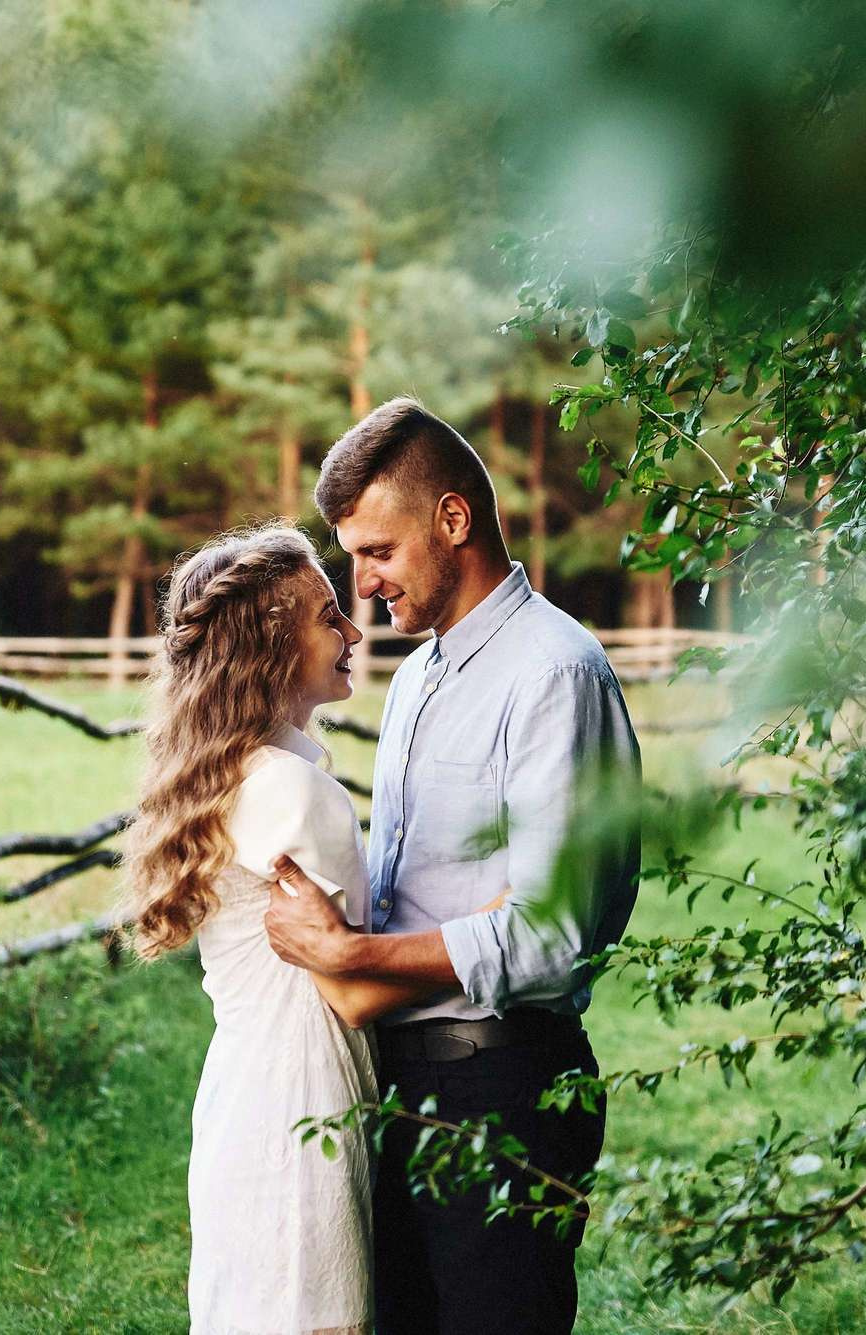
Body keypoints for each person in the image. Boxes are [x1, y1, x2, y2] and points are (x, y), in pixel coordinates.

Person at [265, 398, 642, 1335]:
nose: (362, 585)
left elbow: (551, 937)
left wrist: (352, 957)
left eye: (377, 552)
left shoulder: (554, 673)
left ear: (454, 519)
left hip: (503, 1087)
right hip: (402, 1088)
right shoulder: (418, 677)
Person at [123, 525, 460, 1335]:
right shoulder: (292, 791)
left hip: (243, 1098)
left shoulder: (232, 772)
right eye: (327, 616)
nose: (352, 633)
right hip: (303, 1104)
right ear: (269, 647)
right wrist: (505, 923)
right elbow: (353, 992)